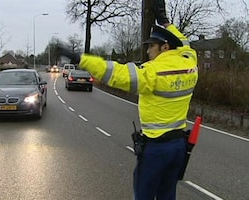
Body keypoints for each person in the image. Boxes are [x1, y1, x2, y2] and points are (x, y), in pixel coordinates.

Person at [57, 0, 198, 199]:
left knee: (144, 194)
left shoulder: (153, 72)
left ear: (165, 47)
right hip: (177, 147)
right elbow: (183, 41)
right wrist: (165, 21)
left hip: (156, 148)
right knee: (168, 194)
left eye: (152, 47)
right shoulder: (190, 61)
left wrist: (81, 59)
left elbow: (115, 73)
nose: (148, 51)